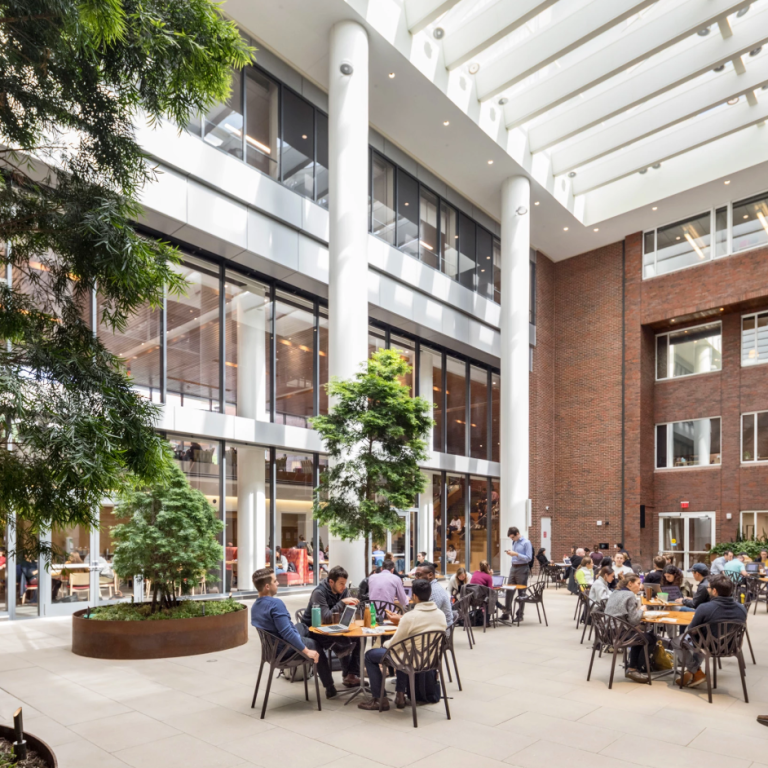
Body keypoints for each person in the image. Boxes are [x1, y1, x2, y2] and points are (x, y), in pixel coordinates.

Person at [357, 578, 446, 711]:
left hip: (411, 660)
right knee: (404, 651)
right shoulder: (440, 615)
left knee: (370, 655)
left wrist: (384, 645)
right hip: (431, 660)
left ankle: (380, 699)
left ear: (414, 596)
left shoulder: (410, 617)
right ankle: (400, 695)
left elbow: (395, 643)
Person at [251, 567, 338, 699]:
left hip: (271, 651)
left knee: (303, 626)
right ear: (267, 586)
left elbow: (285, 630)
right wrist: (307, 651)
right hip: (284, 649)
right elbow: (287, 634)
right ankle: (330, 687)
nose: (278, 583)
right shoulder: (275, 604)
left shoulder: (255, 606)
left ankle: (326, 644)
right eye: (275, 581)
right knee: (315, 645)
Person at [672, 575, 747, 688]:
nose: (707, 590)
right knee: (705, 638)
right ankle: (691, 672)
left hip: (709, 647)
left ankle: (696, 671)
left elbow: (691, 631)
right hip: (732, 646)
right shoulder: (742, 608)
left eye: (708, 588)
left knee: (677, 641)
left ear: (714, 591)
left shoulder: (705, 608)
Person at [299, 566, 360, 687]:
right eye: (341, 584)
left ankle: (351, 675)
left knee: (357, 638)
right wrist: (342, 603)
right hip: (314, 630)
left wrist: (352, 608)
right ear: (331, 582)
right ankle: (333, 682)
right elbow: (325, 618)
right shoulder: (319, 593)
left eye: (345, 584)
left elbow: (343, 613)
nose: (343, 587)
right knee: (340, 640)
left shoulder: (343, 592)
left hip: (333, 628)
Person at [604, 574, 652, 683]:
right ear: (630, 583)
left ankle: (633, 666)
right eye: (638, 583)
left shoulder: (615, 592)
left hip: (606, 633)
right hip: (619, 634)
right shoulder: (630, 595)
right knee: (649, 638)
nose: (640, 587)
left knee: (639, 634)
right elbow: (634, 620)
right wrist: (642, 610)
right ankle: (633, 669)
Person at [502, 526, 533, 622]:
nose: (512, 539)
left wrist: (516, 554)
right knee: (509, 590)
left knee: (521, 592)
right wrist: (511, 553)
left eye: (512, 537)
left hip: (522, 568)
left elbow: (529, 558)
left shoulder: (526, 542)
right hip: (513, 567)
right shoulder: (514, 542)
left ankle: (520, 615)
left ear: (517, 534)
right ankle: (506, 613)